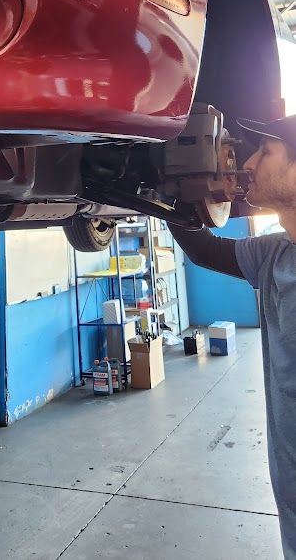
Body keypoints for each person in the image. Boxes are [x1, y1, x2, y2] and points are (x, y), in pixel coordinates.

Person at [169, 115, 296, 560]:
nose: (251, 161)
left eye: (268, 151)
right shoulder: (277, 251)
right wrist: (174, 188)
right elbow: (204, 249)